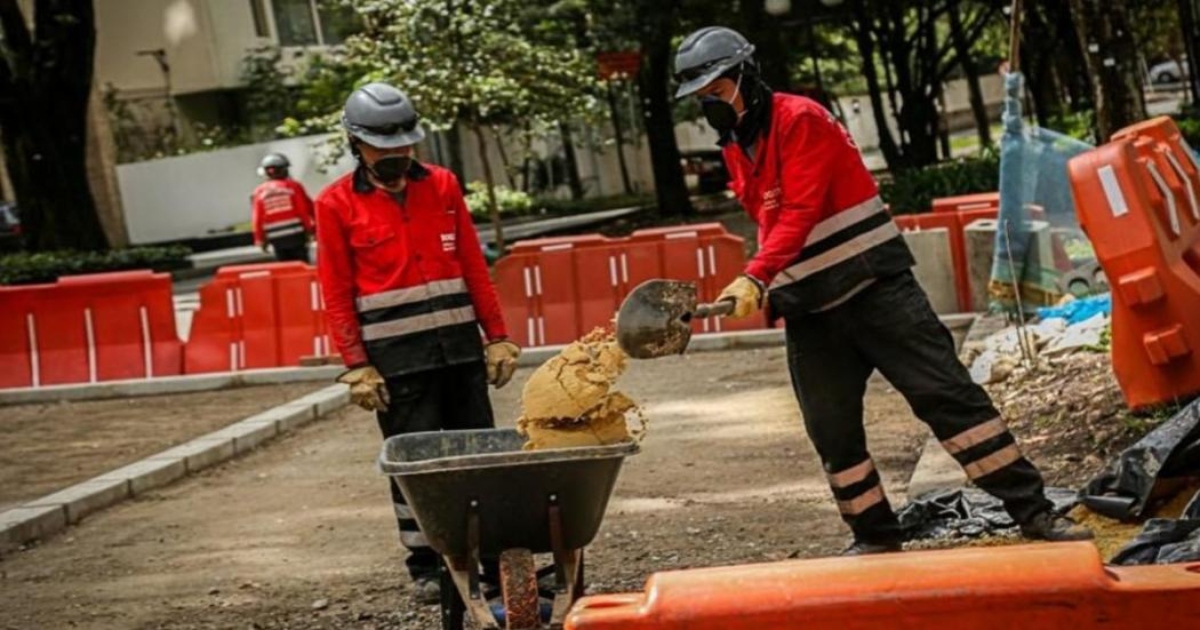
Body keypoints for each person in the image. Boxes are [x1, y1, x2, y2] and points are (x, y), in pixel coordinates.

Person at [673, 26, 1092, 555]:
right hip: (811, 308)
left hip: (875, 289)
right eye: (701, 99)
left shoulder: (801, 119)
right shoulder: (736, 144)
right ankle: (874, 536)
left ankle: (1033, 512)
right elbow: (770, 217)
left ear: (745, 77)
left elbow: (800, 210)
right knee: (831, 431)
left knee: (948, 398)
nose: (710, 106)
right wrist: (767, 284)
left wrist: (756, 275)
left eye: (715, 92)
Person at [315, 82, 522, 601]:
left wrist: (497, 337)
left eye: (404, 144)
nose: (396, 155)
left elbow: (474, 265)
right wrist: (356, 365)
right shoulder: (335, 204)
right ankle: (427, 563)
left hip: (458, 351)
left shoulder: (444, 185)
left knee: (480, 453)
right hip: (398, 363)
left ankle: (493, 557)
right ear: (356, 143)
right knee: (414, 462)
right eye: (383, 146)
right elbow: (336, 290)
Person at [251, 153, 315, 263]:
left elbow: (257, 218)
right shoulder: (294, 186)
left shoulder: (259, 192)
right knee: (302, 265)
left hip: (276, 239)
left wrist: (260, 239)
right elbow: (304, 210)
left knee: (286, 267)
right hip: (297, 235)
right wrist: (310, 230)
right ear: (284, 170)